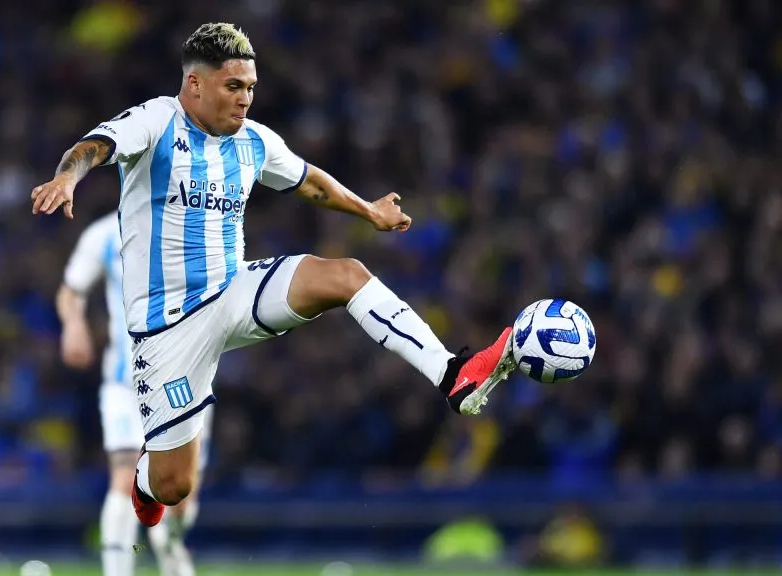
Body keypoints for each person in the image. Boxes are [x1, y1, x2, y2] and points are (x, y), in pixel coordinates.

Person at [32, 22, 516, 528]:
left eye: (251, 88)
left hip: (232, 291)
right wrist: (68, 176)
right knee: (176, 486)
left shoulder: (254, 141)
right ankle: (145, 483)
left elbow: (309, 182)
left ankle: (452, 374)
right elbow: (95, 146)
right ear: (195, 84)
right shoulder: (158, 120)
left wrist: (368, 211)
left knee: (346, 275)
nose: (246, 99)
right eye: (234, 86)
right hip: (166, 327)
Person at [57, 211, 212, 576]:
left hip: (185, 381)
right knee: (125, 475)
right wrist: (74, 323)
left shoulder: (193, 221)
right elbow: (71, 289)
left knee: (178, 496)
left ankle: (170, 547)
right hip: (126, 380)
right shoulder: (107, 232)